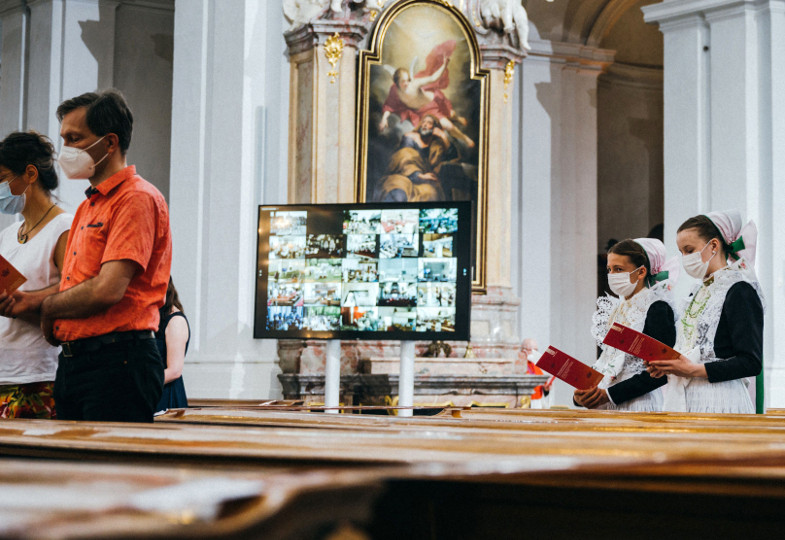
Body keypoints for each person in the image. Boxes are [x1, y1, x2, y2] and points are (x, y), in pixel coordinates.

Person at [37, 89, 172, 422]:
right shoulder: (87, 205)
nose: (65, 149)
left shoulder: (137, 198)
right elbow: (78, 283)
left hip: (118, 362)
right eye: (64, 138)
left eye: (75, 138)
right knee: (70, 471)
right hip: (75, 362)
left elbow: (108, 289)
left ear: (109, 142)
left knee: (105, 473)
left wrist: (50, 306)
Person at [648, 210, 763, 414]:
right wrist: (669, 366)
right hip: (689, 396)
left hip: (721, 398)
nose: (684, 258)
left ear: (713, 246)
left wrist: (694, 370)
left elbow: (750, 362)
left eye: (689, 250)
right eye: (681, 251)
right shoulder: (697, 292)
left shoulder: (739, 290)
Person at [0, 132, 72, 418]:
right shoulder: (6, 235)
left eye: (2, 177)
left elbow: (73, 290)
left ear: (30, 174)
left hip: (38, 374)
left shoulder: (64, 226)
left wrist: (24, 301)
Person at [575, 238, 678, 411]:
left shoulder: (656, 308)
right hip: (606, 401)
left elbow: (660, 372)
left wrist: (610, 394)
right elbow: (607, 359)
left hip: (639, 403)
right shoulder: (617, 308)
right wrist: (582, 393)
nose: (612, 275)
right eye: (609, 269)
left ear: (641, 272)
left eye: (619, 269)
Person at [377, 40, 474, 149]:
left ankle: (460, 126)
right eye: (403, 81)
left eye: (408, 80)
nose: (407, 84)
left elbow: (433, 78)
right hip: (421, 113)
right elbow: (389, 105)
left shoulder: (414, 83)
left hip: (432, 103)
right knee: (448, 126)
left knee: (451, 114)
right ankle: (463, 136)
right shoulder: (395, 91)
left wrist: (444, 65)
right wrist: (384, 119)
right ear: (397, 83)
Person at [374, 115, 453, 202]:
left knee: (431, 193)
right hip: (403, 175)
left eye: (429, 123)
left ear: (435, 128)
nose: (424, 125)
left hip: (425, 182)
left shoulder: (436, 146)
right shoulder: (411, 138)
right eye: (423, 122)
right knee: (397, 189)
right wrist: (417, 175)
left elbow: (451, 157)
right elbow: (405, 156)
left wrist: (443, 136)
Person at [155, 277, 189, 412]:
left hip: (166, 395)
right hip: (153, 393)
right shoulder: (155, 318)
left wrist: (142, 384)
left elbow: (174, 371)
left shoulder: (176, 321)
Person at [519, 338, 551, 408]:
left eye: (536, 350)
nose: (535, 353)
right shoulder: (518, 365)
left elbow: (543, 389)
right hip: (523, 402)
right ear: (523, 351)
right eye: (532, 350)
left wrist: (546, 389)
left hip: (537, 402)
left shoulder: (535, 365)